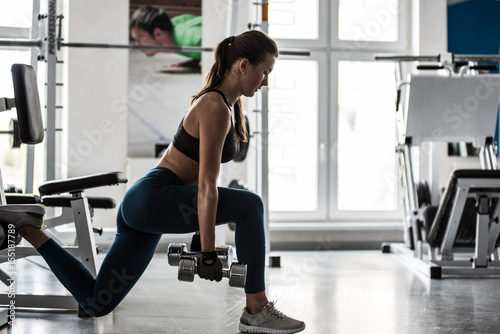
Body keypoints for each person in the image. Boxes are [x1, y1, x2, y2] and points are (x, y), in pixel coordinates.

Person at [5, 30, 306, 334]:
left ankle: (30, 228)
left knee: (98, 302)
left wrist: (203, 235)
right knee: (251, 205)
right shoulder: (215, 106)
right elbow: (206, 186)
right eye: (264, 71)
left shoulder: (227, 104)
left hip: (146, 205)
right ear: (244, 65)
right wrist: (209, 253)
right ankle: (256, 308)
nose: (266, 81)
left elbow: (199, 180)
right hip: (155, 197)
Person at [130, 5, 202, 72]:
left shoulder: (191, 37)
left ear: (158, 33)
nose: (137, 44)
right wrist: (196, 61)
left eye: (140, 38)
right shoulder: (173, 26)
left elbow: (209, 38)